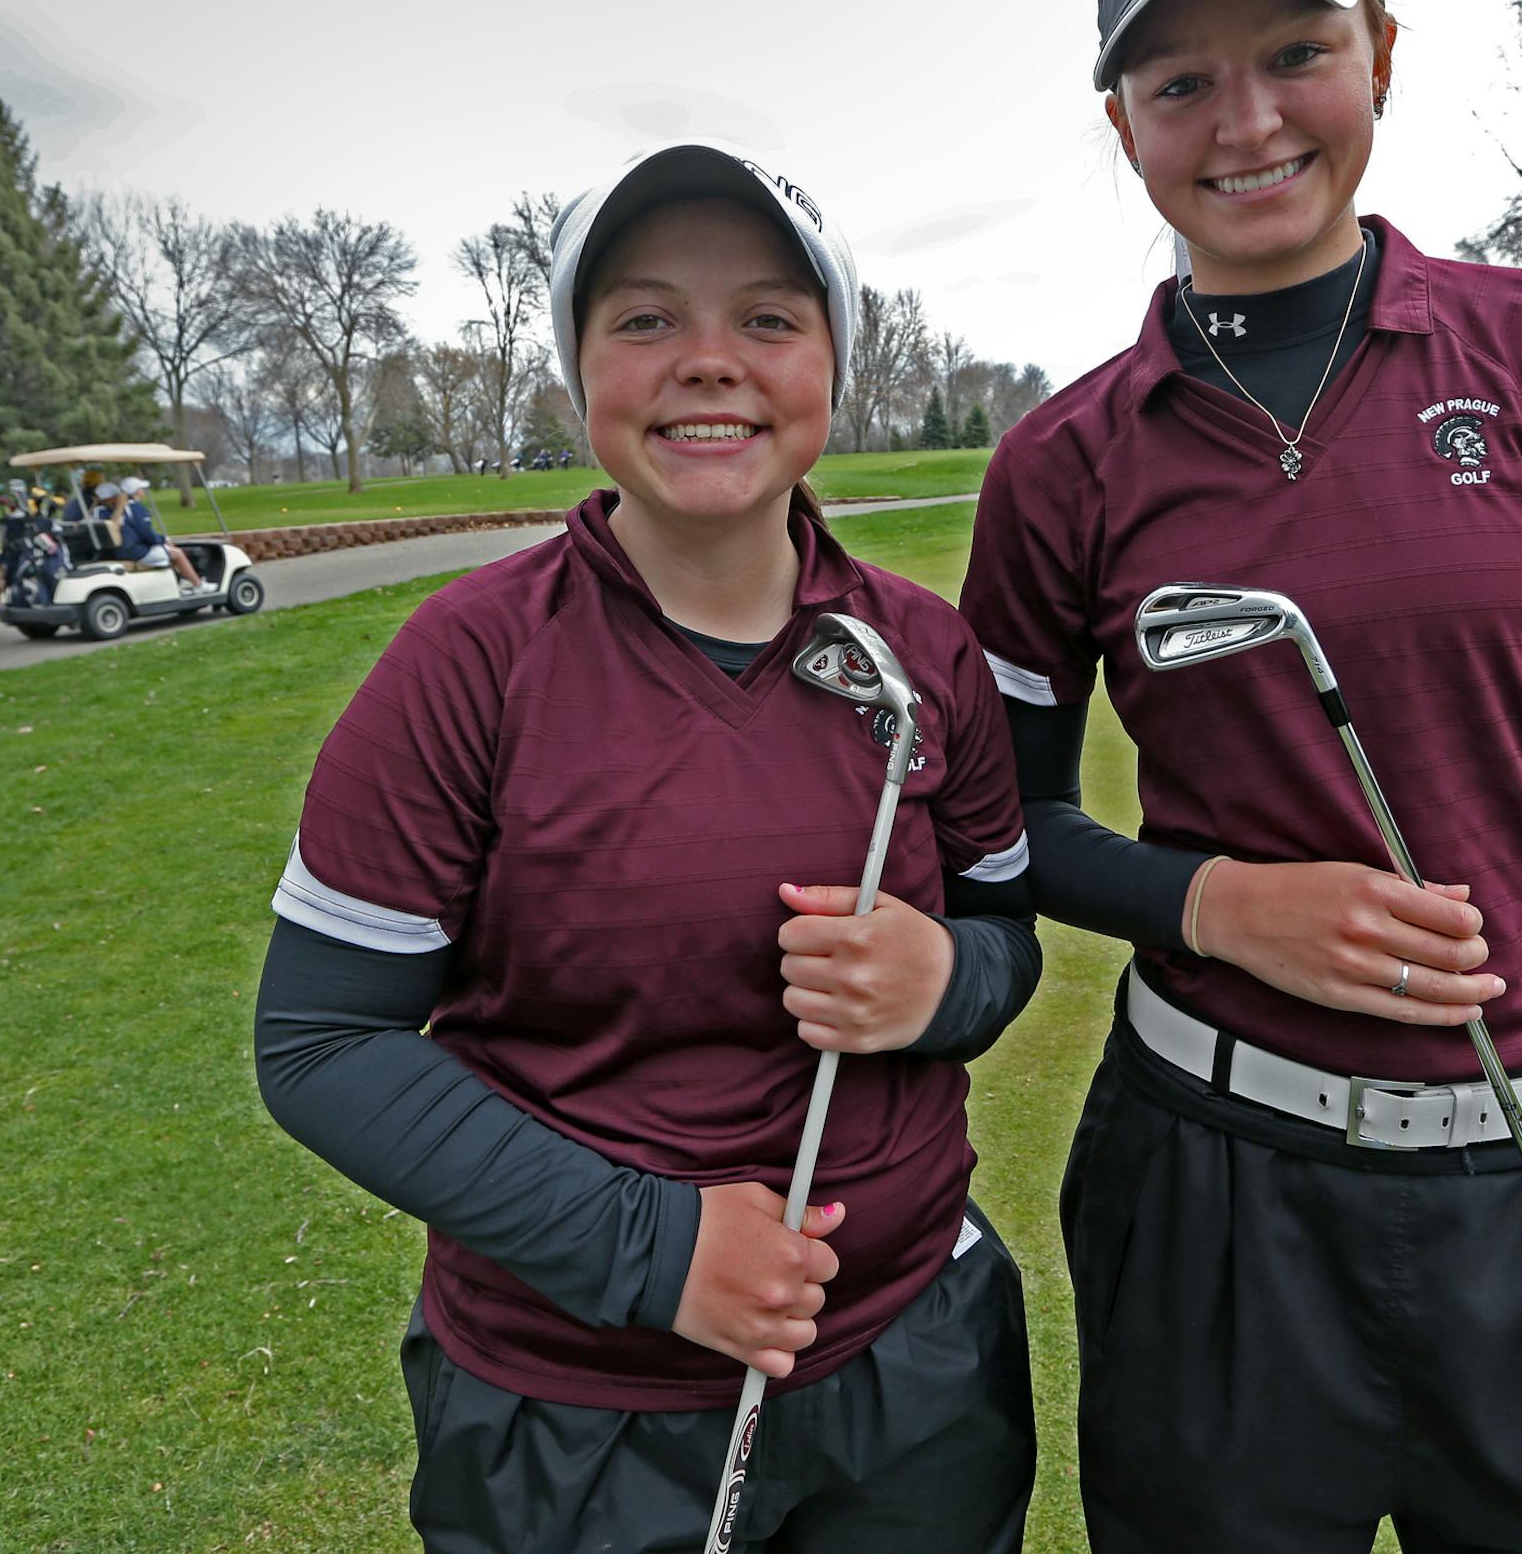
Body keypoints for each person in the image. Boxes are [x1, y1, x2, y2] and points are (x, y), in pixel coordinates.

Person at [959, 0, 1522, 1553]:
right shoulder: (1060, 464)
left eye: (1295, 53)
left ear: (1382, 56)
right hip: (1211, 1197)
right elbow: (1000, 830)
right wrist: (1216, 902)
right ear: (1124, 127)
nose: (1245, 119)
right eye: (1181, 81)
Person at [256, 140, 1040, 1554]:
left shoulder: (925, 656)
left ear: (831, 364)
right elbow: (321, 1043)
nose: (707, 361)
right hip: (576, 1411)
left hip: (917, 1366)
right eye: (644, 318)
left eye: (767, 318)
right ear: (578, 368)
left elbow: (1006, 945)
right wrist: (655, 1247)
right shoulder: (467, 662)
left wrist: (945, 984)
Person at [114, 475, 206, 589]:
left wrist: (161, 540)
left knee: (167, 549)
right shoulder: (136, 508)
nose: (144, 491)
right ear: (137, 492)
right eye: (142, 489)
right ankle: (198, 585)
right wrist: (162, 540)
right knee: (177, 553)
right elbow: (146, 534)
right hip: (136, 551)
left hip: (125, 550)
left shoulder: (120, 507)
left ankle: (180, 581)